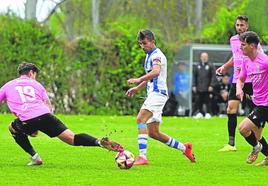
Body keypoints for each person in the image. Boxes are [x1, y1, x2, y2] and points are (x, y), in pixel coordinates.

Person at [0, 62, 123, 166]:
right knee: (72, 138)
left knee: (13, 128)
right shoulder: (37, 85)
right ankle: (98, 142)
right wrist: (41, 123)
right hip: (45, 115)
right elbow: (48, 105)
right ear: (32, 73)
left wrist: (32, 126)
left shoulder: (8, 85)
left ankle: (35, 157)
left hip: (27, 118)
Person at [125, 29, 195, 165]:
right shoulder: (149, 55)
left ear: (152, 41)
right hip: (154, 94)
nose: (142, 46)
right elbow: (151, 75)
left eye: (144, 43)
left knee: (140, 119)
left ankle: (142, 157)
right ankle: (185, 148)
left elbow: (156, 72)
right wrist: (137, 88)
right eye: (140, 44)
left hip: (157, 94)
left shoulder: (156, 56)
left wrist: (138, 79)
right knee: (154, 133)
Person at [216, 15, 263, 152]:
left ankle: (258, 140)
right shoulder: (233, 40)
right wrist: (225, 66)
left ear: (247, 26)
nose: (239, 27)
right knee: (231, 108)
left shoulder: (253, 41)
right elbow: (235, 56)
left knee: (257, 114)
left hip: (250, 81)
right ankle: (231, 144)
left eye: (242, 25)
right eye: (237, 25)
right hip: (237, 80)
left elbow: (257, 58)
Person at [236, 31, 268, 166]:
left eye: (243, 45)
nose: (240, 47)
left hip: (265, 105)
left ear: (253, 46)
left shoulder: (265, 61)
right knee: (257, 135)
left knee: (243, 128)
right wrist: (239, 89)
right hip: (258, 103)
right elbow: (241, 79)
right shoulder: (246, 61)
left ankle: (256, 148)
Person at [192, 52, 216, 119]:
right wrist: (194, 85)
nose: (204, 58)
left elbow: (213, 76)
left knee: (208, 101)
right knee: (199, 100)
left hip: (207, 87)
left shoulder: (210, 66)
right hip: (199, 87)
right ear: (200, 57)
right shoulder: (197, 66)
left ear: (207, 57)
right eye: (203, 56)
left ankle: (208, 113)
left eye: (205, 56)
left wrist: (211, 85)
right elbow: (194, 77)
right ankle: (200, 112)